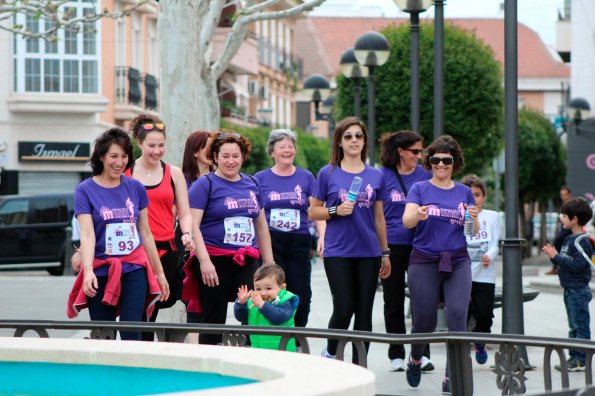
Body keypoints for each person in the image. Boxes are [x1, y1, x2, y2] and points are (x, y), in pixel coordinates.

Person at [66, 128, 170, 340]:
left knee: (132, 329)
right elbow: (87, 235)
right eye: (114, 156)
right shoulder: (85, 190)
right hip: (102, 268)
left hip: (134, 266)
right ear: (102, 156)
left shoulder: (135, 187)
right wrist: (88, 272)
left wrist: (159, 273)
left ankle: (133, 373)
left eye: (124, 157)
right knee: (104, 332)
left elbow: (146, 232)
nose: (119, 162)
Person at [309, 116, 391, 364]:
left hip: (369, 252)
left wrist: (385, 253)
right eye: (348, 136)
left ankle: (361, 366)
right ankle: (330, 353)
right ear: (340, 142)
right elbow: (313, 211)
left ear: (364, 141)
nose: (354, 140)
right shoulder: (328, 173)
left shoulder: (376, 175)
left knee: (364, 313)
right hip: (338, 252)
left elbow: (379, 217)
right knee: (344, 308)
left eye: (358, 136)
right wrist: (335, 211)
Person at [402, 135, 478, 391]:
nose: (441, 164)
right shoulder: (420, 189)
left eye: (447, 160)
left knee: (458, 316)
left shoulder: (464, 191)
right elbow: (406, 222)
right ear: (429, 161)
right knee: (425, 321)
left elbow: (472, 230)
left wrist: (473, 217)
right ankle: (415, 359)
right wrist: (417, 214)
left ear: (455, 162)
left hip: (457, 260)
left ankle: (451, 374)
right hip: (424, 260)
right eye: (436, 159)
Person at [186, 129, 275, 345]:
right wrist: (204, 261)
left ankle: (250, 358)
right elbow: (192, 226)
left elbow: (261, 226)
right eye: (225, 156)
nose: (230, 161)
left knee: (254, 310)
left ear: (243, 157)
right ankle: (209, 363)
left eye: (236, 156)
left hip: (246, 258)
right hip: (214, 259)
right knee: (214, 316)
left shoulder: (252, 184)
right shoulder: (204, 185)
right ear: (215, 157)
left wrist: (270, 265)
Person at [125, 114, 195, 341]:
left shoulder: (173, 173)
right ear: (139, 144)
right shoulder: (126, 172)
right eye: (151, 145)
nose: (156, 151)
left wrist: (187, 233)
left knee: (153, 308)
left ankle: (144, 354)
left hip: (166, 250)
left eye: (161, 145)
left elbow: (184, 212)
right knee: (135, 308)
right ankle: (131, 353)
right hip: (134, 251)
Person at [378, 131, 433, 372]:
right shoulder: (382, 176)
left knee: (423, 301)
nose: (419, 156)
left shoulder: (426, 175)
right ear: (400, 151)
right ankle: (396, 354)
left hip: (422, 245)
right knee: (393, 300)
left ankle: (422, 354)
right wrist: (381, 251)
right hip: (391, 247)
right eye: (415, 151)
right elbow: (376, 215)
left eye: (421, 151)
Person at [254, 129, 315, 330]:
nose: (287, 150)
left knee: (301, 292)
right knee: (271, 289)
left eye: (291, 146)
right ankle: (270, 332)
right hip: (271, 240)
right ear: (272, 152)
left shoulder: (306, 177)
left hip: (299, 240)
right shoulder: (260, 178)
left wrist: (322, 236)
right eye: (282, 147)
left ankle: (296, 334)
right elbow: (254, 212)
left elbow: (315, 209)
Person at [543, 197, 593, 372]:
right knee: (573, 326)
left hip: (578, 290)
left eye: (564, 216)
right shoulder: (570, 239)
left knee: (580, 326)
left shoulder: (581, 241)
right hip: (570, 289)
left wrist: (557, 257)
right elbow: (566, 261)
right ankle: (574, 358)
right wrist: (555, 256)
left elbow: (579, 265)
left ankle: (582, 359)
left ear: (574, 219)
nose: (561, 219)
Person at [461, 174, 502, 365]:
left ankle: (480, 342)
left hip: (485, 276)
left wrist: (490, 256)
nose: (474, 199)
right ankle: (461, 348)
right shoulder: (458, 217)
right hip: (461, 275)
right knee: (462, 313)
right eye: (469, 195)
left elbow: (496, 243)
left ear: (483, 196)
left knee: (484, 315)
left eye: (477, 195)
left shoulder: (493, 217)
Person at [180, 130, 214, 327]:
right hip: (189, 248)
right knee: (194, 304)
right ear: (195, 151)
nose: (211, 151)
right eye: (207, 147)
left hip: (216, 247)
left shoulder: (221, 177)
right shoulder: (182, 180)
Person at [233, 263, 300, 351]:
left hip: (282, 351)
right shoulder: (254, 301)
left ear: (281, 287)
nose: (263, 293)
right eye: (258, 289)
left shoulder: (285, 301)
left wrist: (262, 305)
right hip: (259, 349)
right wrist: (241, 303)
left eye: (268, 288)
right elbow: (241, 318)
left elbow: (278, 318)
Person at [547, 186, 574, 275]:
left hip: (570, 230)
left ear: (569, 194)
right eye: (562, 195)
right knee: (559, 244)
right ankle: (556, 267)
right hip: (564, 229)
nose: (563, 197)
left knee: (558, 241)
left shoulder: (573, 204)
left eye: (565, 194)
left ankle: (557, 266)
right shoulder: (564, 205)